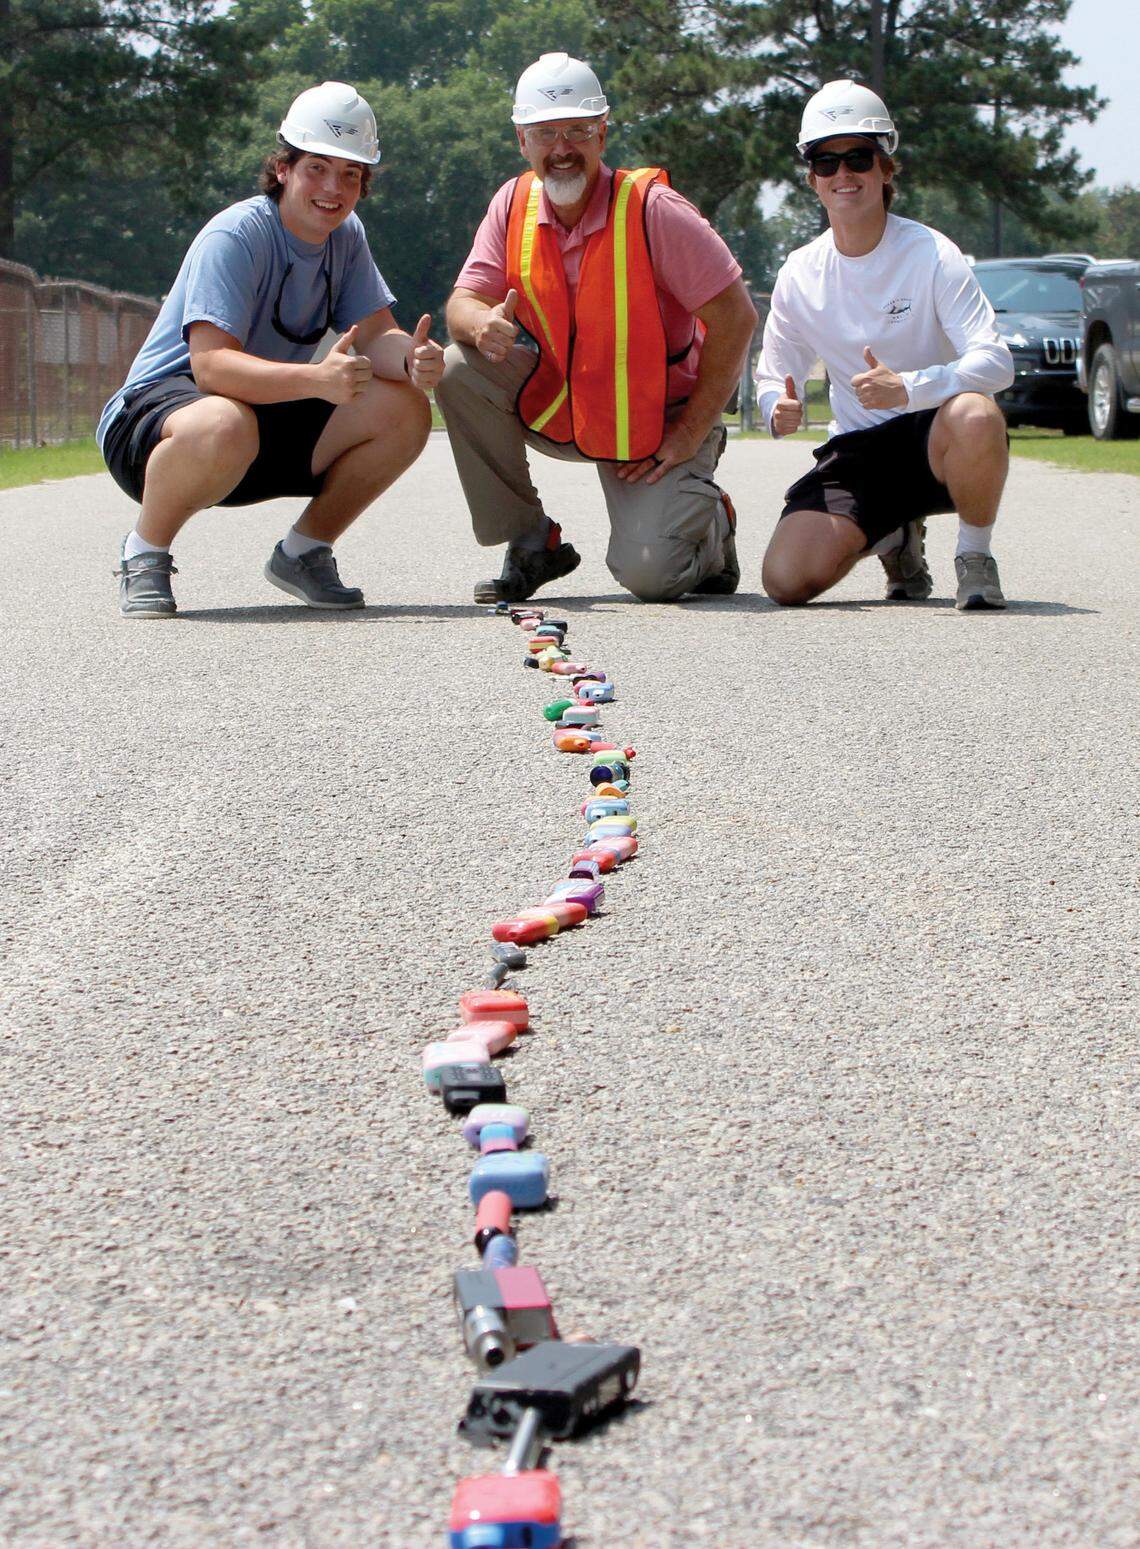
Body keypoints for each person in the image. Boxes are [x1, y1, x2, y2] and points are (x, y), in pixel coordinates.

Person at [97, 81, 444, 618]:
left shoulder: (346, 236)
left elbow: (377, 334)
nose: (334, 187)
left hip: (252, 418)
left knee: (404, 407)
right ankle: (146, 552)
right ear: (283, 168)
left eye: (350, 173)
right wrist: (316, 381)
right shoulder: (235, 235)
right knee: (222, 422)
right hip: (154, 426)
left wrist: (413, 359)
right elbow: (210, 368)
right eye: (317, 168)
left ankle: (304, 553)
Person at [436, 52, 758, 605]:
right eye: (545, 133)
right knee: (459, 366)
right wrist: (479, 322)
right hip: (565, 402)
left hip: (658, 422)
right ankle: (533, 541)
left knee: (652, 577)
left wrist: (688, 433)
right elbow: (464, 300)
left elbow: (737, 318)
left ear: (602, 136)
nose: (562, 148)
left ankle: (711, 527)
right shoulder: (511, 203)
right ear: (522, 140)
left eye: (578, 131)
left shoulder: (656, 210)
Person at [754, 80, 1014, 611]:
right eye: (827, 163)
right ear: (812, 179)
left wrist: (910, 388)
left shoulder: (931, 253)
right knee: (785, 581)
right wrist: (773, 406)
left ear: (886, 168)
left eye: (859, 158)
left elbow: (996, 362)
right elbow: (772, 374)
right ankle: (895, 538)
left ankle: (975, 557)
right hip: (858, 450)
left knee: (977, 415)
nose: (843, 174)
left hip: (935, 438)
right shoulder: (801, 271)